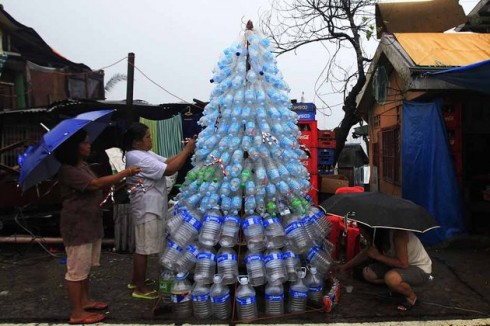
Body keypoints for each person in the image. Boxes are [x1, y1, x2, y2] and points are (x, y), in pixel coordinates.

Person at [55, 129, 141, 324]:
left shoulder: (82, 165)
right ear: (74, 147)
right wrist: (124, 173)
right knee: (76, 270)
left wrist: (117, 183)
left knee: (85, 267)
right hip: (77, 225)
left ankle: (84, 301)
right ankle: (77, 313)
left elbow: (96, 186)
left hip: (89, 223)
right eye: (84, 143)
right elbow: (93, 184)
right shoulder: (68, 169)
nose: (89, 145)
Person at [123, 122, 196, 299]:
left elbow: (166, 162)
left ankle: (136, 280)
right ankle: (139, 288)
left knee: (144, 245)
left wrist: (186, 150)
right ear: (136, 142)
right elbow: (170, 169)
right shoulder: (137, 157)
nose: (151, 139)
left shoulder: (144, 153)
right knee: (144, 248)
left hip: (152, 206)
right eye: (147, 137)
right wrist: (187, 151)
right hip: (147, 208)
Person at [335, 225, 432, 311]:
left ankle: (411, 297)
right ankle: (397, 287)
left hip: (419, 269)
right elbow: (365, 253)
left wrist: (378, 257)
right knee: (368, 273)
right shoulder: (377, 237)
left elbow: (403, 264)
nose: (362, 235)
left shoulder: (398, 235)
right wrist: (345, 267)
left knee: (391, 278)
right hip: (397, 267)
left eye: (362, 232)